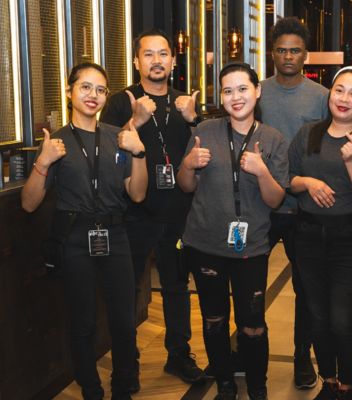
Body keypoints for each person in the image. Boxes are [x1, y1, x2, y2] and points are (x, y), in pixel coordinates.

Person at [21, 62, 148, 400]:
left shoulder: (119, 138)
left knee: (124, 321)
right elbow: (29, 204)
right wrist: (43, 162)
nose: (93, 95)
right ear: (69, 91)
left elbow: (137, 194)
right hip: (75, 239)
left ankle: (123, 385)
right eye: (85, 87)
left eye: (100, 89)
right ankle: (91, 389)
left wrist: (139, 153)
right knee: (83, 322)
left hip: (115, 235)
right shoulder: (56, 142)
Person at [178, 62, 288, 400]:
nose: (236, 97)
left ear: (257, 91)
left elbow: (275, 199)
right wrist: (188, 164)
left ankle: (257, 385)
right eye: (228, 90)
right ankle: (225, 382)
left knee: (252, 324)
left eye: (243, 89)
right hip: (205, 244)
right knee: (213, 319)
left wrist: (261, 170)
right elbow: (185, 186)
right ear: (221, 96)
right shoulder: (205, 130)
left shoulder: (273, 139)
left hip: (250, 248)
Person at [100, 28, 205, 384]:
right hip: (132, 213)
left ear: (173, 60)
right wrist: (136, 121)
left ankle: (179, 355)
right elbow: (105, 153)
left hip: (177, 213)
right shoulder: (122, 101)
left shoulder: (184, 102)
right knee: (126, 290)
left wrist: (194, 119)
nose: (156, 61)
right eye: (148, 54)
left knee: (177, 287)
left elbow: (207, 152)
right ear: (136, 61)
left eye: (163, 54)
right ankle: (126, 364)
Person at [289, 66, 352, 400]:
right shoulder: (308, 134)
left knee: (342, 318)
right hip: (308, 237)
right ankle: (329, 382)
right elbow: (288, 179)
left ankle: (347, 384)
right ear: (330, 93)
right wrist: (308, 183)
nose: (344, 98)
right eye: (339, 90)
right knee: (317, 317)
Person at [259, 16, 329, 390]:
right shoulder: (256, 92)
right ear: (272, 53)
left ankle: (303, 356)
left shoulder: (321, 97)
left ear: (306, 55)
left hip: (304, 209)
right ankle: (249, 350)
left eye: (295, 50)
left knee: (307, 289)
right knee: (250, 283)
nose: (288, 56)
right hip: (261, 206)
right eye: (282, 50)